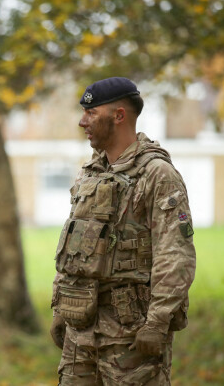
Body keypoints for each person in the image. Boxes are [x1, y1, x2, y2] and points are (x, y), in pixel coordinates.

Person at [50, 77, 196, 385]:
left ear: (119, 116)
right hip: (80, 330)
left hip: (131, 332)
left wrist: (157, 322)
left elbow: (175, 254)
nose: (82, 121)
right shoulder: (90, 174)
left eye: (91, 113)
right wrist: (60, 308)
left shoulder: (158, 175)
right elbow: (74, 246)